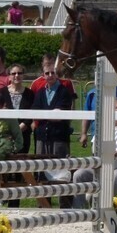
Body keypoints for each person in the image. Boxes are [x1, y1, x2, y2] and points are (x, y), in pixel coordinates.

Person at [73, 97, 117, 209]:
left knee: (114, 178)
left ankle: (114, 209)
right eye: (116, 109)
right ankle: (79, 209)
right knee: (79, 174)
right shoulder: (103, 126)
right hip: (100, 166)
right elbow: (94, 147)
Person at [32, 63, 74, 206]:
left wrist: (45, 114)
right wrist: (50, 114)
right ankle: (43, 204)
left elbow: (62, 114)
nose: (50, 76)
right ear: (43, 75)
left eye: (52, 73)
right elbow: (36, 111)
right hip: (42, 137)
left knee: (61, 171)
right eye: (47, 73)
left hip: (59, 137)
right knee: (42, 171)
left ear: (56, 75)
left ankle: (65, 206)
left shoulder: (64, 92)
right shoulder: (40, 93)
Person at [0, 63, 35, 153]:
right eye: (13, 73)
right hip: (5, 136)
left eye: (19, 73)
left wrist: (17, 131)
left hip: (23, 135)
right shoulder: (2, 92)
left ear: (23, 75)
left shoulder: (30, 94)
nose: (16, 75)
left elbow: (30, 116)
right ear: (9, 76)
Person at [78, 84, 117, 149]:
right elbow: (86, 115)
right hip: (97, 135)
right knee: (98, 157)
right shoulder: (92, 94)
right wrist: (84, 133)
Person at [0, 91, 23, 161]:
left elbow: (18, 136)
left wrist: (14, 150)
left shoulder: (10, 117)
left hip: (6, 143)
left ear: (3, 105)